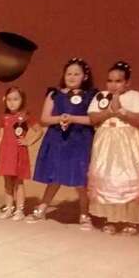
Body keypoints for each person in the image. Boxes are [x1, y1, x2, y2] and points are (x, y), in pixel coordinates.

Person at [88, 61, 139, 235]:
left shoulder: (134, 96)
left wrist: (123, 111)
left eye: (118, 81)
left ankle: (131, 219)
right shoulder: (101, 96)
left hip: (127, 141)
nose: (113, 85)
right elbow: (93, 118)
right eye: (110, 80)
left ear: (127, 82)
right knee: (108, 178)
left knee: (129, 177)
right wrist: (108, 112)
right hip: (105, 141)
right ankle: (111, 218)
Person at [28, 58, 97, 230]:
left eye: (76, 74)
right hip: (58, 139)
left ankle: (84, 213)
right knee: (55, 174)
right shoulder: (55, 94)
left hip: (80, 139)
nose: (72, 77)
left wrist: (73, 119)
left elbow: (93, 119)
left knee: (81, 177)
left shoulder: (91, 95)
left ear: (85, 76)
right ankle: (43, 207)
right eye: (69, 74)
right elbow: (45, 118)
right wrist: (60, 118)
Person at [0, 87, 42, 221]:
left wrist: (28, 141)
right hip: (5, 153)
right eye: (9, 99)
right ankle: (9, 207)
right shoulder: (4, 117)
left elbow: (39, 130)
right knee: (7, 182)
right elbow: (0, 136)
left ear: (22, 100)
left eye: (15, 99)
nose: (12, 102)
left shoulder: (26, 116)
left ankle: (20, 210)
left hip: (19, 153)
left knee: (18, 182)